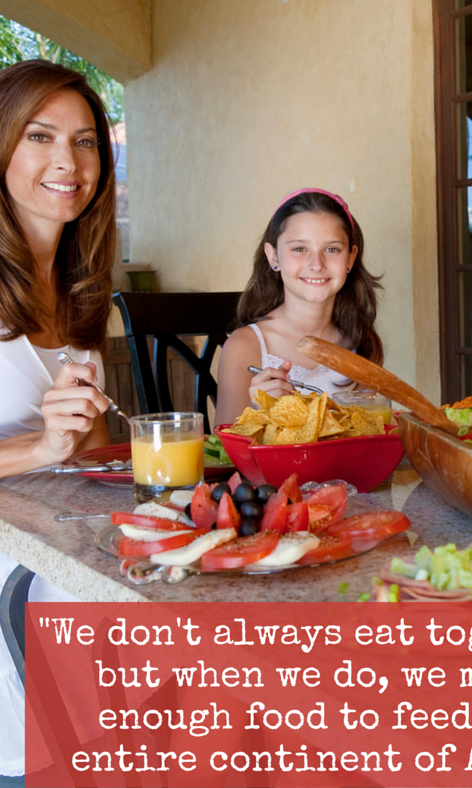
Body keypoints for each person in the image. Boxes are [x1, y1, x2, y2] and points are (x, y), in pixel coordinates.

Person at [0, 59, 116, 778]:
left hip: (59, 536)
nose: (67, 162)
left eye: (85, 142)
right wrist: (43, 443)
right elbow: (54, 448)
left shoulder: (75, 289)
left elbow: (90, 453)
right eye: (41, 136)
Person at [215, 188, 383, 426]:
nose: (316, 264)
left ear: (350, 258)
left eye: (332, 249)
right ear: (273, 256)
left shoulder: (361, 343)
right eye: (299, 249)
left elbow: (371, 436)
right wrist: (260, 412)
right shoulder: (244, 347)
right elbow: (225, 452)